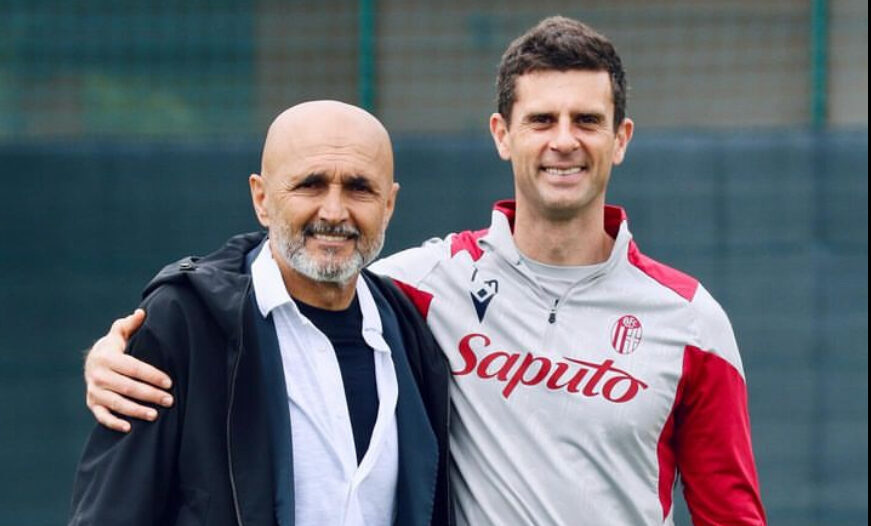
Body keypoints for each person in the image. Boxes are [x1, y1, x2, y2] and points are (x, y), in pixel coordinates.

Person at [81, 16, 767, 526]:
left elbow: (729, 513)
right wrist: (134, 338)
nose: (563, 141)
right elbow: (288, 259)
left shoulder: (689, 322)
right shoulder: (423, 286)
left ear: (620, 137)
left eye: (586, 119)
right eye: (540, 119)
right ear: (502, 133)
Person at [69, 101, 451, 526]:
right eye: (311, 184)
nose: (334, 211)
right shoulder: (185, 322)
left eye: (360, 188)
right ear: (262, 198)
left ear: (389, 205)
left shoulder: (413, 329)